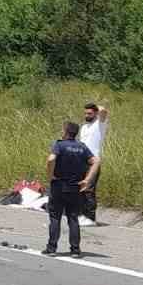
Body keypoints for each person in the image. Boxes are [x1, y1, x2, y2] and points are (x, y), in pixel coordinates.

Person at [44, 121, 100, 257]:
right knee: (73, 218)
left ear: (65, 132)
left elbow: (51, 159)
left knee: (55, 217)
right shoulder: (82, 147)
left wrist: (50, 175)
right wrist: (87, 180)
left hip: (59, 186)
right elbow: (96, 161)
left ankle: (52, 248)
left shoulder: (59, 145)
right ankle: (75, 249)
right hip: (75, 187)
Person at [78, 102, 108, 222]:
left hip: (93, 163)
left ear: (95, 114)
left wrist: (96, 107)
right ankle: (82, 215)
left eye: (90, 113)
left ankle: (90, 218)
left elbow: (104, 111)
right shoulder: (84, 127)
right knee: (80, 188)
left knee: (89, 189)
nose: (87, 115)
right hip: (81, 162)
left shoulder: (100, 124)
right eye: (85, 113)